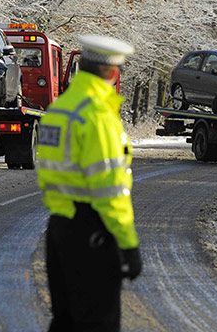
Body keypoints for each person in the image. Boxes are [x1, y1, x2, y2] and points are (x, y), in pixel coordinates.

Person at [36, 34, 141, 332]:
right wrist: (128, 244)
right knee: (98, 324)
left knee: (65, 321)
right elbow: (110, 190)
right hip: (92, 232)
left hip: (59, 227)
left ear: (81, 66)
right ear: (113, 72)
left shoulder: (60, 110)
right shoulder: (97, 115)